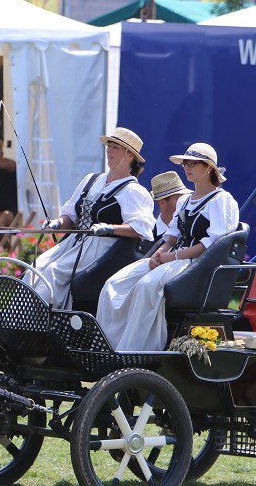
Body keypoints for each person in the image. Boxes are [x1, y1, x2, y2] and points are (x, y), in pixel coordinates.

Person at [96, 142, 239, 352]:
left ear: (208, 167)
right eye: (184, 163)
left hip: (196, 265)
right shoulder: (185, 200)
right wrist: (159, 253)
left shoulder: (221, 200)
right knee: (114, 283)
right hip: (173, 257)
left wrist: (174, 256)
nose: (187, 167)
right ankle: (107, 345)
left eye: (192, 163)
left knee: (146, 286)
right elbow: (171, 235)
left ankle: (135, 349)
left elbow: (213, 244)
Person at [23, 127, 154, 310]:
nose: (109, 150)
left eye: (116, 147)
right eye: (109, 145)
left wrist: (109, 228)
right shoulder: (91, 180)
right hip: (74, 243)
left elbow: (141, 229)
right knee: (36, 268)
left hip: (103, 250)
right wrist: (57, 223)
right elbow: (70, 214)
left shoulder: (133, 190)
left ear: (130, 155)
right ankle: (16, 322)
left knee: (54, 272)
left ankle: (41, 320)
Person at [138, 170, 193, 255]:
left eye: (186, 198)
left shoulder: (193, 228)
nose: (185, 202)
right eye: (179, 199)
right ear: (162, 203)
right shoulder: (148, 237)